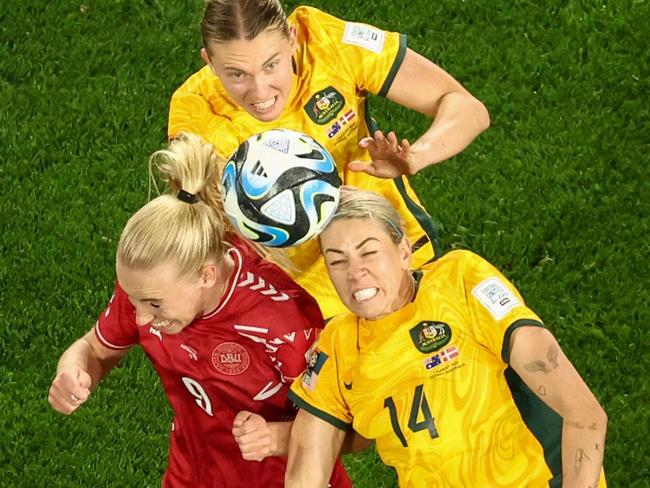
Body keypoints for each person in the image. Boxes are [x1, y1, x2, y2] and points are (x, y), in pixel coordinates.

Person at [47, 133, 351, 488]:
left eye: (153, 304)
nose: (141, 317)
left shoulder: (286, 322)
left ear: (206, 275)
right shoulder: (148, 288)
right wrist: (75, 368)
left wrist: (277, 438)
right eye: (135, 301)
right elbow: (96, 348)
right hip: (190, 476)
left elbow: (347, 426)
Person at [168, 0, 490, 319]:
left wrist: (414, 158)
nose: (261, 91)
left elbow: (467, 108)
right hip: (300, 311)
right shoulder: (195, 110)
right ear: (209, 61)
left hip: (396, 263)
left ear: (292, 38)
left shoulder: (326, 42)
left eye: (271, 65)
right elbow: (193, 232)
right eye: (237, 74)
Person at [285, 187, 608, 487]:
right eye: (337, 261)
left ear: (404, 251)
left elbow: (585, 415)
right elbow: (307, 464)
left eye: (368, 252)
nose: (355, 273)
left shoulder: (459, 281)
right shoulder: (339, 343)